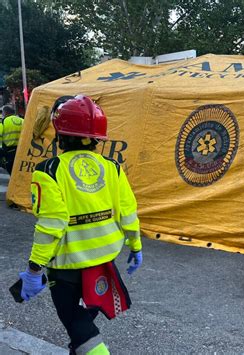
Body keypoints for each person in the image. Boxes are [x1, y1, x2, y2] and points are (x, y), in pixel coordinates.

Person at [18, 95, 143, 355]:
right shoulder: (113, 167)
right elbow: (128, 212)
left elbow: (51, 225)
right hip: (103, 264)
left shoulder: (49, 170)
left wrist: (33, 270)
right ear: (97, 137)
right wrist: (135, 245)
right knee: (80, 333)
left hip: (67, 269)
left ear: (60, 133)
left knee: (77, 326)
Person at [1, 104, 23, 174]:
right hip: (21, 150)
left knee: (10, 169)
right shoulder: (23, 120)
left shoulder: (4, 121)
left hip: (8, 151)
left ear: (5, 113)